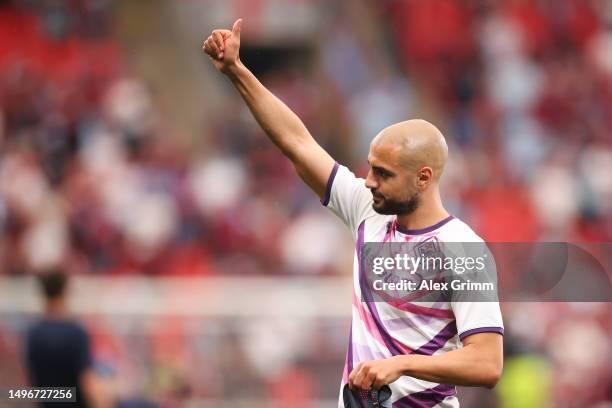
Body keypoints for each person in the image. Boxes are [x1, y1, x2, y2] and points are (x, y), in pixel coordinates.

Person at [202, 19, 504, 407]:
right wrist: (236, 72)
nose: (370, 180)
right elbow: (297, 143)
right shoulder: (368, 209)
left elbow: (487, 362)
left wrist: (401, 365)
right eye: (370, 167)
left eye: (383, 173)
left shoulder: (463, 249)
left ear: (424, 178)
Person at [24, 269, 110, 408]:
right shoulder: (76, 333)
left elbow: (30, 380)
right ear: (65, 292)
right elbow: (87, 381)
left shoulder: (33, 334)